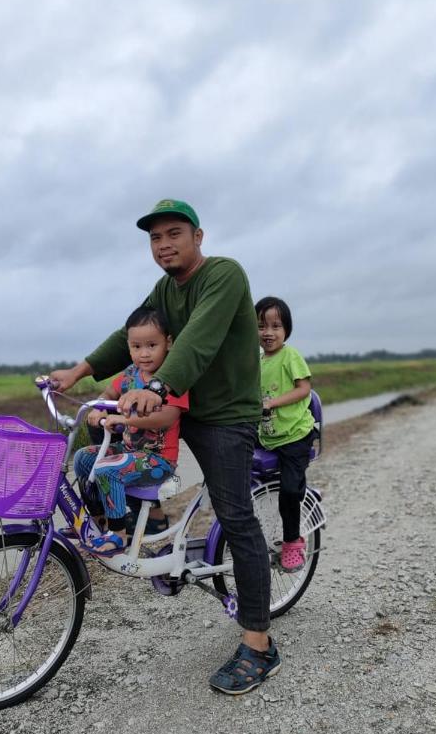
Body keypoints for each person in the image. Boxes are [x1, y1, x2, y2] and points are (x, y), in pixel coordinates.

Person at [51, 199, 280, 695]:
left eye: (174, 233)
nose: (164, 244)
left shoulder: (224, 275)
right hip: (179, 407)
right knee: (102, 437)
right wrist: (81, 371)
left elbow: (197, 340)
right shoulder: (165, 289)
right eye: (155, 238)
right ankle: (144, 520)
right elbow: (132, 334)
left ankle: (259, 643)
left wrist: (155, 387)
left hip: (223, 414)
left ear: (198, 236)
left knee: (236, 516)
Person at [73, 306, 188, 553]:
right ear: (128, 346)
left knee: (107, 469)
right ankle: (98, 520)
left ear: (168, 343)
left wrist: (126, 421)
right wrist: (100, 409)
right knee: (83, 459)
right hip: (127, 450)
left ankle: (118, 534)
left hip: (157, 460)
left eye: (151, 345)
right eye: (136, 347)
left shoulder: (172, 379)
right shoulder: (129, 375)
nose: (144, 354)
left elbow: (167, 417)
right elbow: (109, 393)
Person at [255, 296, 315, 572]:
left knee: (290, 490)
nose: (268, 333)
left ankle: (293, 541)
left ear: (286, 330)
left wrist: (272, 403)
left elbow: (304, 389)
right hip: (267, 434)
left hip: (294, 435)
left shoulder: (290, 356)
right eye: (261, 326)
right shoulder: (255, 361)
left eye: (275, 326)